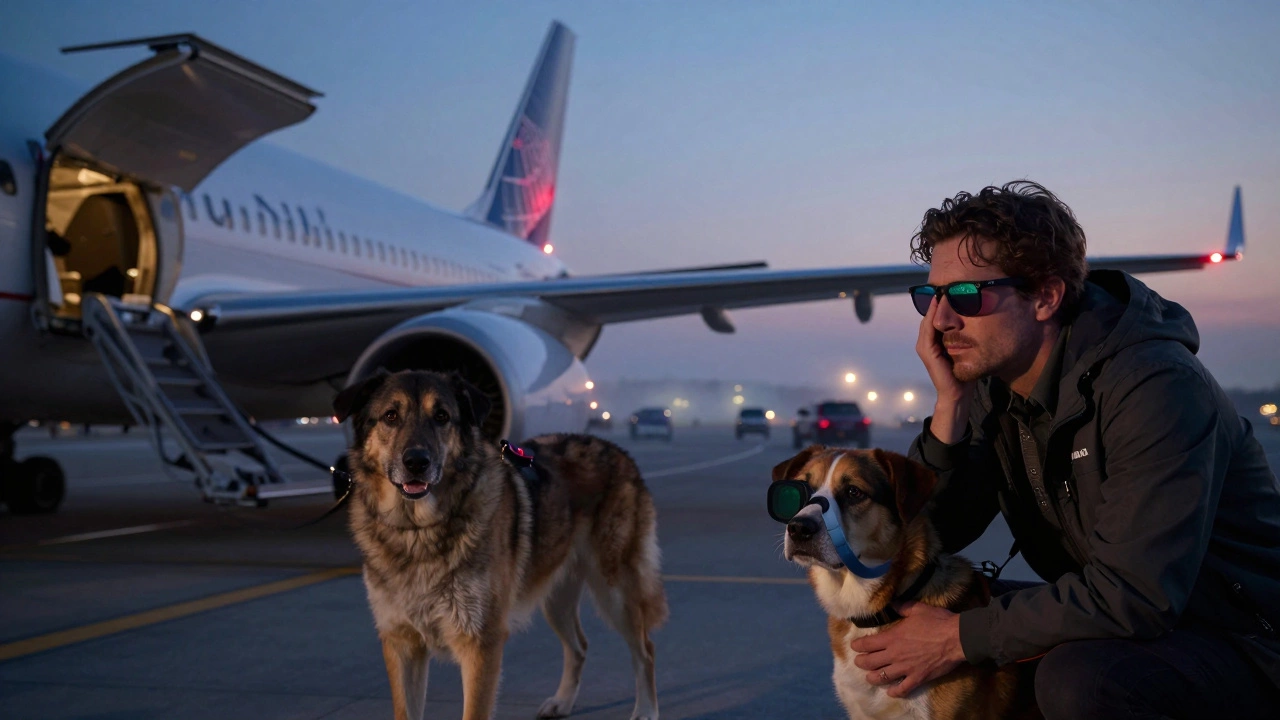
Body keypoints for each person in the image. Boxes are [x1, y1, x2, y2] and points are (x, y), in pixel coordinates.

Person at [849, 181, 1279, 718]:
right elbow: (936, 530)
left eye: (965, 296)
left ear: (1046, 297)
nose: (939, 320)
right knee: (916, 599)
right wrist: (950, 404)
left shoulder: (1154, 387)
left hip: (1242, 639)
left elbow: (1135, 594)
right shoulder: (996, 387)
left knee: (1083, 681)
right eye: (930, 296)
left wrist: (957, 637)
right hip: (1135, 618)